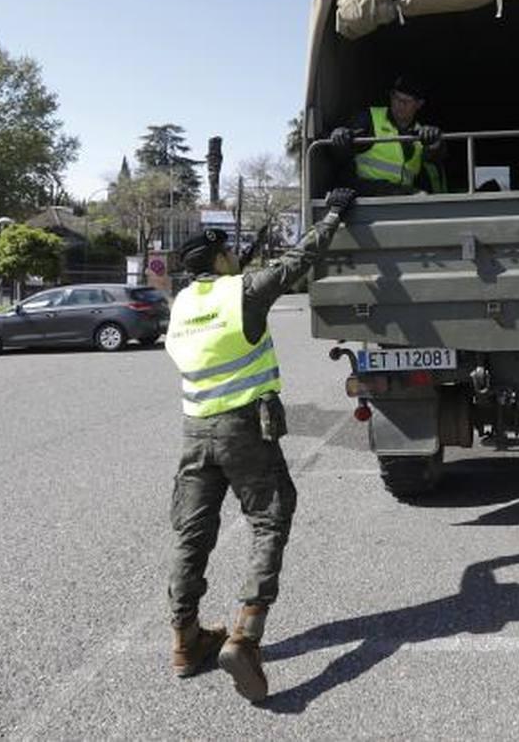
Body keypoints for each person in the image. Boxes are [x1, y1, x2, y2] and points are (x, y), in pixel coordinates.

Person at [163, 187, 356, 703]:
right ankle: (245, 635)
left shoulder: (180, 304)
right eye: (230, 251)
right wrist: (336, 212)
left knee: (191, 534)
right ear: (220, 257)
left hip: (193, 432)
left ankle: (184, 640)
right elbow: (302, 259)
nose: (235, 257)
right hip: (243, 428)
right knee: (271, 518)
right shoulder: (241, 292)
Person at [326, 75, 446, 195]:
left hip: (401, 198)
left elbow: (436, 158)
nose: (399, 105)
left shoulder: (422, 133)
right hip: (367, 193)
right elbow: (343, 142)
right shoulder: (369, 119)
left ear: (419, 104)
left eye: (406, 101)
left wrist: (435, 142)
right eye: (396, 98)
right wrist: (340, 134)